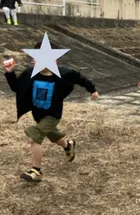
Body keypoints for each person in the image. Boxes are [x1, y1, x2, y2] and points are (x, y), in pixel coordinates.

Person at [3, 42, 99, 182]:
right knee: (52, 134)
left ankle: (36, 171)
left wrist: (92, 90)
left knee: (34, 138)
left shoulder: (63, 74)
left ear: (55, 60)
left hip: (52, 115)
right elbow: (16, 87)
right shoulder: (30, 74)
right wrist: (10, 72)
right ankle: (68, 145)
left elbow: (80, 78)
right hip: (38, 114)